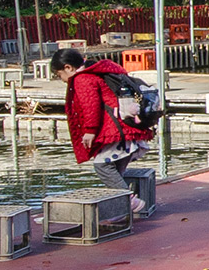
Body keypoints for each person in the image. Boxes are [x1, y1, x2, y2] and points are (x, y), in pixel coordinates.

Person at [55, 46, 156, 209]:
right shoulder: (99, 72)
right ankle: (119, 212)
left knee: (102, 166)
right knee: (116, 171)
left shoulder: (83, 78)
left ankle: (129, 202)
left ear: (68, 67)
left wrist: (90, 131)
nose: (61, 79)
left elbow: (91, 105)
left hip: (117, 131)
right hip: (128, 127)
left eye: (59, 75)